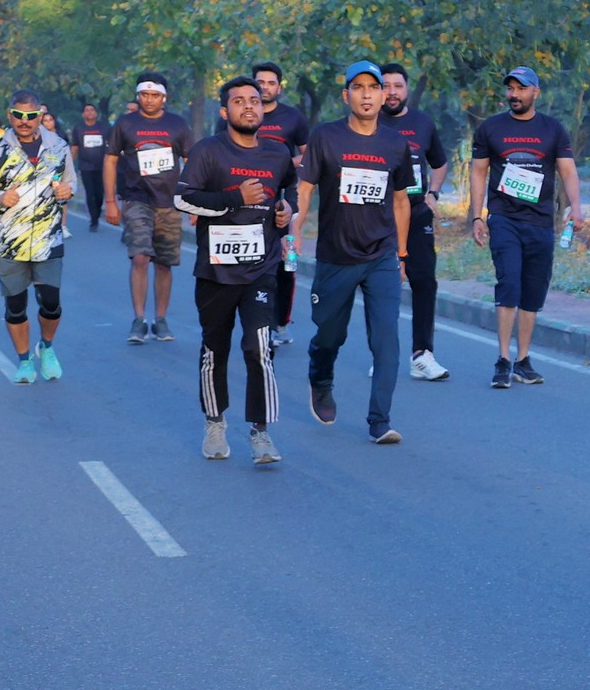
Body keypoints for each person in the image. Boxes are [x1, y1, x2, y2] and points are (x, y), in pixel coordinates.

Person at [175, 76, 296, 464]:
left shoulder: (277, 153)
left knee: (259, 346)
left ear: (263, 108)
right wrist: (234, 198)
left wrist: (286, 210)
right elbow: (183, 199)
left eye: (255, 100)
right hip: (216, 271)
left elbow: (289, 189)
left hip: (261, 267)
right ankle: (215, 422)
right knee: (216, 348)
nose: (249, 106)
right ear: (225, 111)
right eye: (239, 101)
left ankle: (261, 432)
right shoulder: (209, 151)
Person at [293, 60, 415, 444]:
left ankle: (380, 420)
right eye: (358, 88)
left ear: (383, 95)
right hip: (336, 255)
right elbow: (304, 189)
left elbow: (401, 201)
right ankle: (320, 377)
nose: (366, 94)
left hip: (381, 255)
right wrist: (294, 231)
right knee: (330, 335)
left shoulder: (396, 144)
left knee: (386, 340)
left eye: (373, 88)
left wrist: (402, 255)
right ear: (346, 95)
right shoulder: (326, 137)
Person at [469, 65, 584, 388]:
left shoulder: (553, 129)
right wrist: (477, 216)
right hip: (504, 219)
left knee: (533, 290)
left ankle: (522, 360)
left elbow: (568, 171)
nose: (514, 94)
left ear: (536, 92)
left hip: (541, 222)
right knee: (509, 284)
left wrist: (576, 208)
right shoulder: (491, 128)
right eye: (510, 88)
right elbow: (478, 172)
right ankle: (503, 359)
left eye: (521, 88)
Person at [0, 92, 77, 386]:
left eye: (31, 116)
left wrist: (67, 191)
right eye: (19, 115)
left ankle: (46, 346)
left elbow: (71, 182)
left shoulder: (58, 147)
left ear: (40, 116)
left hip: (47, 238)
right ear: (10, 116)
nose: (24, 121)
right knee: (16, 307)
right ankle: (24, 360)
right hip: (10, 241)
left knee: (51, 303)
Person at [376, 63, 452, 382]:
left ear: (407, 90)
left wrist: (433, 193)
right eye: (386, 86)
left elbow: (440, 162)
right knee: (382, 285)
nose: (392, 92)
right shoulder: (369, 122)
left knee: (424, 282)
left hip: (417, 212)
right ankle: (382, 354)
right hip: (378, 215)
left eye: (398, 86)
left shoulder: (422, 123)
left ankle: (422, 355)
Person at [102, 73, 191, 343]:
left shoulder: (177, 124)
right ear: (138, 95)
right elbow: (110, 160)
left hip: (169, 202)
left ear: (164, 97)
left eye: (155, 95)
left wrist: (193, 202)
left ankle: (160, 320)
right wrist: (110, 202)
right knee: (140, 257)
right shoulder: (126, 123)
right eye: (144, 95)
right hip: (137, 199)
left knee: (164, 264)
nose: (149, 100)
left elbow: (192, 162)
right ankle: (139, 319)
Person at [225, 62, 308, 345]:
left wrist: (279, 164)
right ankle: (257, 321)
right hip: (244, 203)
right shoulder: (239, 114)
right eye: (260, 82)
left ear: (279, 88)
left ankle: (281, 322)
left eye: (271, 83)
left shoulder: (293, 118)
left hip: (283, 202)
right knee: (251, 262)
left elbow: (308, 156)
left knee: (287, 263)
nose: (265, 87)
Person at [71, 102, 109, 230]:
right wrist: (70, 165)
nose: (89, 112)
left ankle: (97, 212)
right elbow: (75, 147)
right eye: (87, 110)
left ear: (96, 113)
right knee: (90, 192)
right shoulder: (78, 128)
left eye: (92, 110)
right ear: (83, 114)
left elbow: (111, 145)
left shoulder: (104, 127)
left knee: (99, 193)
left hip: (101, 166)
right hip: (85, 166)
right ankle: (94, 219)